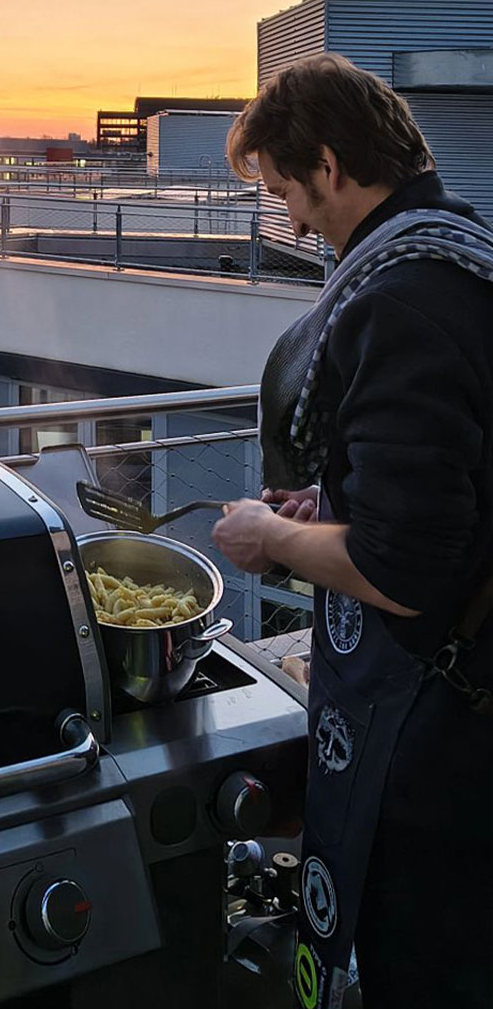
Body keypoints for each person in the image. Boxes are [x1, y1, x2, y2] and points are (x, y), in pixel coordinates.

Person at [210, 52, 493, 1006]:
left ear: (329, 165)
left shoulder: (402, 299)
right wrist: (326, 504)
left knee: (424, 958)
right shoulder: (458, 246)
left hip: (442, 724)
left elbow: (401, 569)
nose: (292, 220)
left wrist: (269, 536)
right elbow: (434, 487)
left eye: (289, 191)